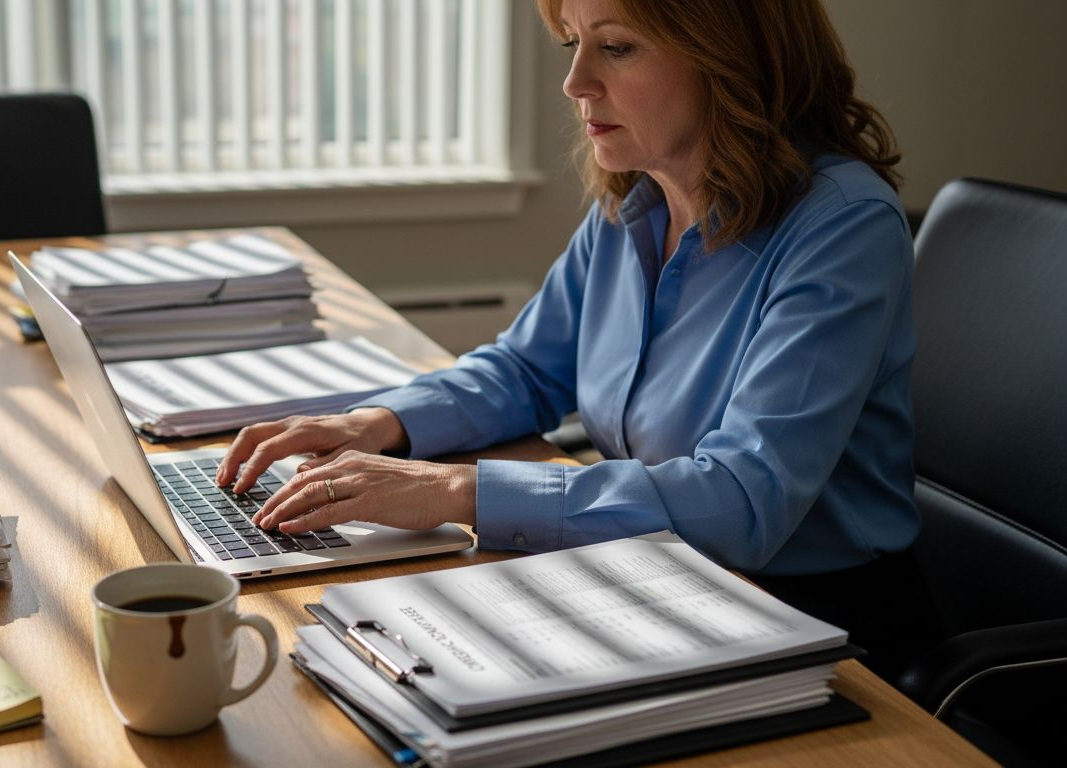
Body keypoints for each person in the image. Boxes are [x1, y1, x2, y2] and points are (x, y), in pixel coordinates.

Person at [216, 0, 935, 679]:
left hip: (812, 619)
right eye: (573, 43)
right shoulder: (636, 201)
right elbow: (528, 369)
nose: (574, 82)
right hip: (654, 576)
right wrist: (378, 423)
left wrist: (452, 491)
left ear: (730, 57)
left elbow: (745, 501)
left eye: (616, 47)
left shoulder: (843, 226)